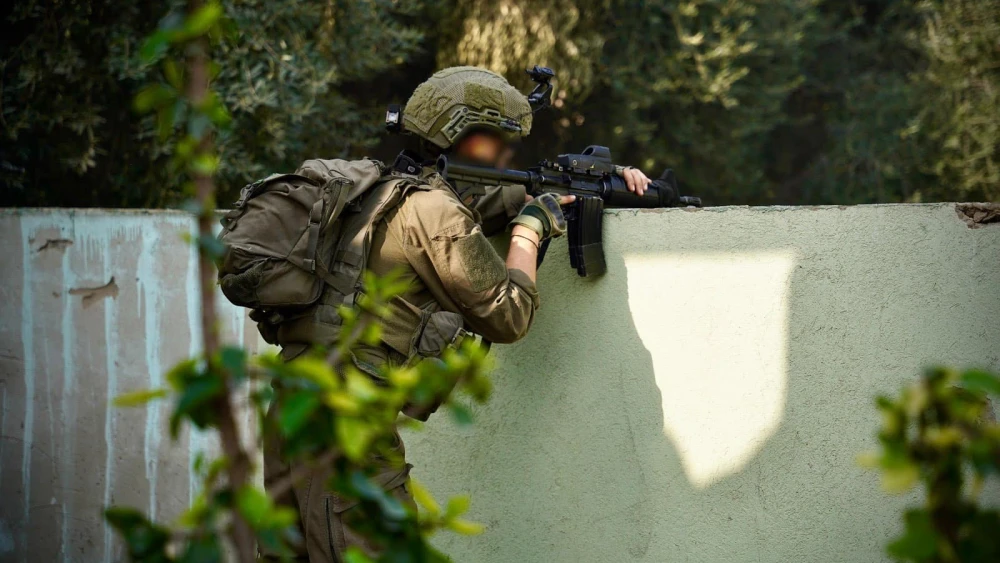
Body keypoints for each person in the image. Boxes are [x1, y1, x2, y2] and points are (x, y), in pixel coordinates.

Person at [260, 66, 653, 562]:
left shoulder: (383, 191)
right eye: (495, 140)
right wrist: (529, 232)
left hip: (294, 405)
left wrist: (604, 181)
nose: (507, 151)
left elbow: (475, 207)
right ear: (460, 135)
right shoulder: (433, 211)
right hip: (345, 425)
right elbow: (507, 316)